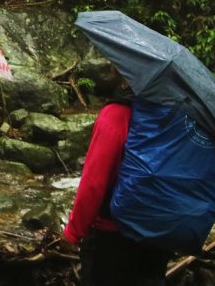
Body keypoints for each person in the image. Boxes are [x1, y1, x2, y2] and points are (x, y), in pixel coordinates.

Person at [60, 80, 172, 285]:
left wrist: (73, 232)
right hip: (159, 233)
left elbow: (94, 182)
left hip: (113, 236)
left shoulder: (117, 113)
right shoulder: (173, 115)